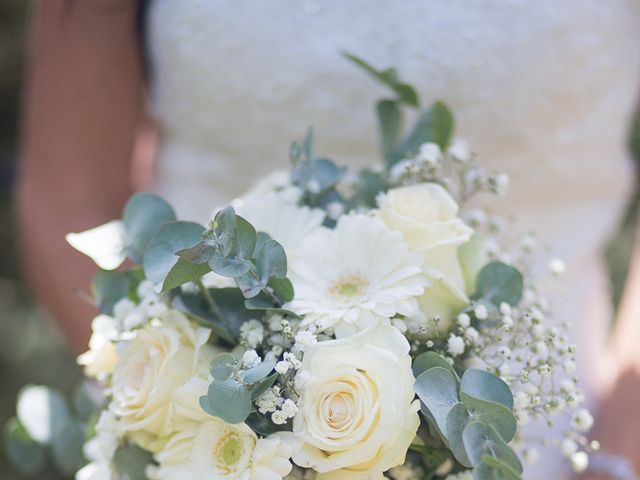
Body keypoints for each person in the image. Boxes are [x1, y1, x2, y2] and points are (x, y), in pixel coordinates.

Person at [16, 1, 640, 478]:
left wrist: (620, 455)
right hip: (215, 427)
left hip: (561, 433)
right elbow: (70, 199)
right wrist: (172, 412)